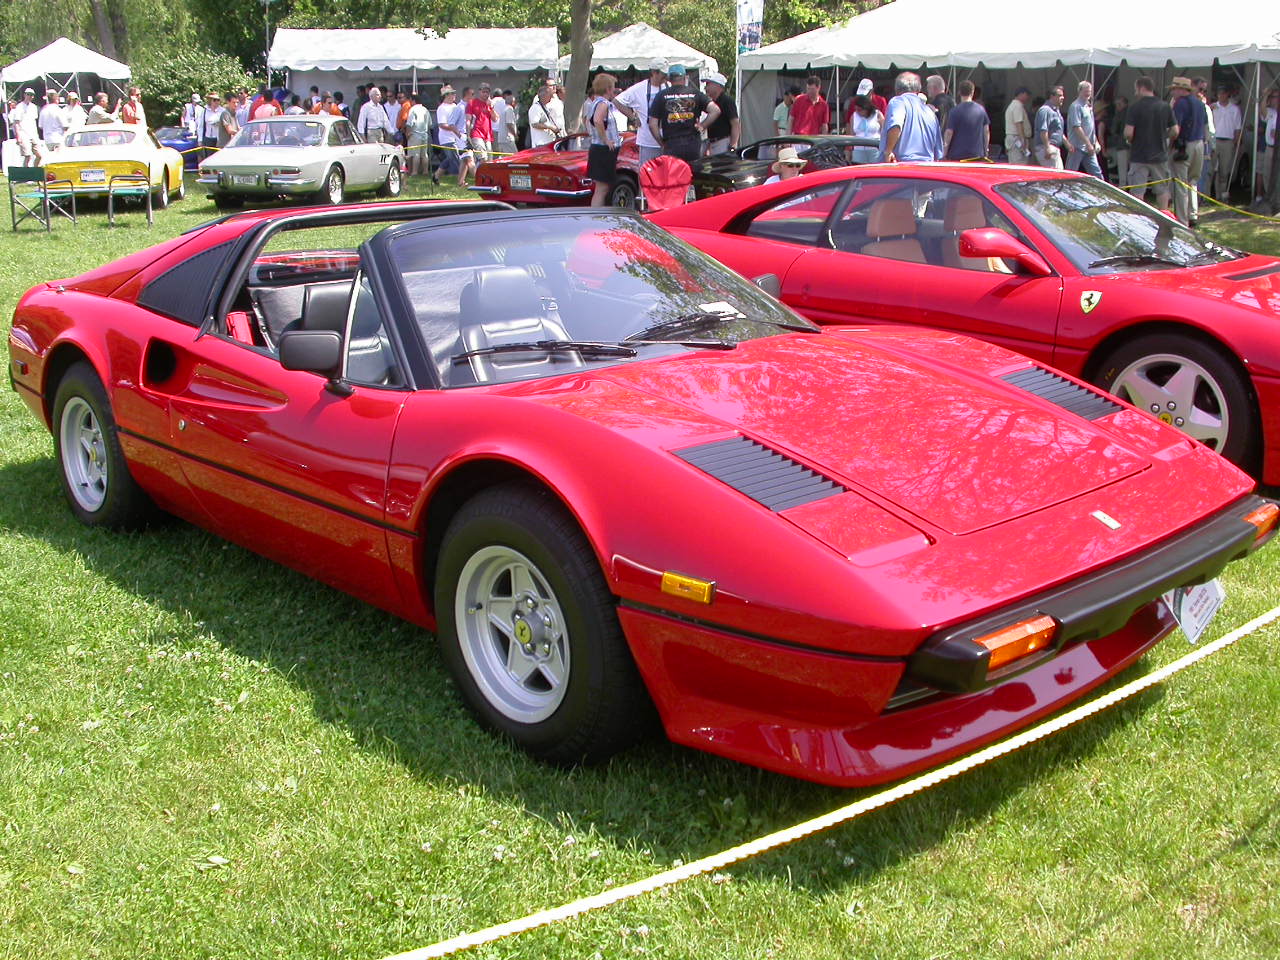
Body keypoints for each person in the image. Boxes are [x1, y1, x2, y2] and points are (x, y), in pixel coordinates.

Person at [1124, 75, 1178, 211]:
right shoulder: (1165, 106)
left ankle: (1139, 221)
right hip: (1160, 154)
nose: (1135, 92)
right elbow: (1175, 131)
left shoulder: (1134, 107)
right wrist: (1165, 137)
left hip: (1139, 155)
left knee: (1137, 191)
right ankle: (1164, 217)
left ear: (1141, 88)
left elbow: (1128, 133)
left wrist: (1130, 140)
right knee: (1162, 190)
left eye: (1136, 89)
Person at [648, 63, 718, 164]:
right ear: (685, 77)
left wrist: (661, 142)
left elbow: (652, 124)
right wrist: (703, 125)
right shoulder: (696, 93)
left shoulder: (661, 95)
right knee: (693, 173)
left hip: (672, 143)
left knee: (673, 175)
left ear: (669, 79)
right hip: (692, 143)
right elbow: (715, 110)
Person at [878, 72, 941, 163]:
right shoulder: (929, 112)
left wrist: (888, 151)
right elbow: (937, 152)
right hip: (926, 167)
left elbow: (896, 125)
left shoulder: (898, 102)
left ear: (897, 90)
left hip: (901, 166)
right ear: (918, 89)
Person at [616, 60, 668, 164]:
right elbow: (617, 101)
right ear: (654, 72)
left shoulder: (668, 86)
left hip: (668, 141)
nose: (665, 77)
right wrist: (633, 118)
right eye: (663, 74)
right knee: (648, 174)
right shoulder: (639, 88)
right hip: (647, 142)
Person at [1169, 77, 1205, 225]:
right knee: (1193, 181)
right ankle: (1193, 214)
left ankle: (1182, 220)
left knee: (1180, 184)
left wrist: (1170, 143)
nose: (1173, 92)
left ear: (1181, 90)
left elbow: (1175, 130)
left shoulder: (1180, 104)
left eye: (1174, 89)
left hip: (1185, 146)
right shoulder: (1200, 103)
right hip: (1199, 144)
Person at [584, 73, 622, 206]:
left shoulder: (593, 103)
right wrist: (606, 140)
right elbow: (597, 120)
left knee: (601, 187)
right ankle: (596, 216)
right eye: (613, 88)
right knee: (602, 188)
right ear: (607, 89)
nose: (614, 91)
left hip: (597, 147)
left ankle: (596, 214)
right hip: (603, 149)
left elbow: (589, 121)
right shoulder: (603, 104)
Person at [943, 80, 988, 161]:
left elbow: (949, 133)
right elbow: (986, 131)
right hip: (977, 154)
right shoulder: (981, 110)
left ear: (959, 92)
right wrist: (986, 150)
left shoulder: (954, 111)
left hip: (957, 155)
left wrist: (944, 152)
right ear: (972, 92)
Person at [1209, 87, 1241, 201]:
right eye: (1219, 94)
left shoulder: (1234, 109)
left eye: (1223, 93)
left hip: (1228, 141)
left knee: (1224, 171)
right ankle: (1206, 195)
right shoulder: (1212, 107)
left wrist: (1236, 142)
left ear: (1228, 94)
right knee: (1210, 170)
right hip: (1214, 140)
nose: (1221, 96)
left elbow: (1238, 127)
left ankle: (1222, 195)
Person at [1065, 81, 1102, 178]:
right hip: (1077, 147)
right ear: (1079, 91)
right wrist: (1088, 143)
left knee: (1097, 173)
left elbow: (1091, 127)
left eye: (1089, 91)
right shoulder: (1075, 106)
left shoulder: (1088, 106)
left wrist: (1095, 141)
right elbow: (1077, 127)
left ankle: (1101, 192)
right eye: (1085, 91)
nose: (1088, 94)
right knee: (1070, 173)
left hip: (1088, 147)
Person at [701, 72, 739, 156]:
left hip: (723, 142)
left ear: (718, 86)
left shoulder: (727, 101)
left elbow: (735, 123)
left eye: (708, 84)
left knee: (723, 167)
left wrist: (733, 144)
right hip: (713, 142)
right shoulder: (712, 103)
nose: (706, 87)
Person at [1034, 86, 1067, 169]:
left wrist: (1067, 143)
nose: (1062, 98)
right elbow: (1043, 130)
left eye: (1062, 95)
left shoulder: (1056, 110)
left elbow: (1058, 130)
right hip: (1047, 147)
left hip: (1054, 147)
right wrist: (1047, 148)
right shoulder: (1045, 110)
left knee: (1058, 176)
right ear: (1052, 96)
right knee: (1055, 177)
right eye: (1059, 95)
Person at [434, 85, 462, 182]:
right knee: (455, 158)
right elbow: (442, 125)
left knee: (450, 158)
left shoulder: (455, 106)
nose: (454, 95)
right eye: (452, 93)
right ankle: (460, 179)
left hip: (457, 137)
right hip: (447, 139)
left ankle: (436, 175)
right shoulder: (441, 108)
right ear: (446, 95)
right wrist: (453, 129)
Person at [466, 84, 498, 166]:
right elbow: (468, 120)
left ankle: (484, 176)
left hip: (488, 135)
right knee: (483, 158)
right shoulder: (472, 103)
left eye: (487, 92)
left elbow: (495, 119)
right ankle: (479, 176)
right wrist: (468, 135)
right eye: (483, 92)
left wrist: (491, 107)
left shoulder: (489, 104)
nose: (485, 94)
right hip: (476, 134)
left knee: (489, 160)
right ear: (479, 92)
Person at [528, 81, 565, 148]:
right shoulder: (535, 108)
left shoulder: (544, 107)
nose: (550, 99)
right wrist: (550, 127)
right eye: (549, 96)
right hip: (540, 143)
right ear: (544, 96)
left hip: (548, 142)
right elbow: (534, 124)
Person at [1258, 89, 1278, 206]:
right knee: (1266, 173)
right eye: (1272, 97)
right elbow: (1262, 109)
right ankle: (1269, 197)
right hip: (1269, 147)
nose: (1273, 99)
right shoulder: (1270, 112)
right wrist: (1266, 95)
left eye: (1274, 97)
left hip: (1278, 149)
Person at [11, 88, 40, 166]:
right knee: (28, 156)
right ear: (24, 95)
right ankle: (26, 176)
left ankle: (35, 173)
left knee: (39, 155)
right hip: (23, 134)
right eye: (28, 94)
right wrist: (18, 137)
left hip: (33, 134)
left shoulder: (34, 107)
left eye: (31, 95)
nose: (29, 96)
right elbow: (16, 123)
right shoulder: (19, 107)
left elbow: (34, 121)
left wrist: (36, 136)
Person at [848, 95, 882, 163]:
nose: (858, 112)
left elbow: (884, 132)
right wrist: (849, 150)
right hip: (858, 150)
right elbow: (851, 135)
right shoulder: (854, 116)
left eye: (860, 110)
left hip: (874, 149)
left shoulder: (878, 114)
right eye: (856, 109)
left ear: (866, 108)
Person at [1004, 87, 1032, 164]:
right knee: (1019, 163)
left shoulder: (1013, 105)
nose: (1028, 97)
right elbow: (1018, 123)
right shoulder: (1017, 106)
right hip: (1017, 139)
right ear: (1021, 94)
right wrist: (1022, 140)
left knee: (1015, 162)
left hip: (1014, 138)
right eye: (1027, 95)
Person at [405, 92, 431, 176]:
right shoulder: (425, 109)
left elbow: (409, 123)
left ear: (413, 100)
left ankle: (414, 172)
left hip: (415, 134)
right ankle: (425, 171)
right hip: (424, 134)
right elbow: (430, 123)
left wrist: (408, 133)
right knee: (424, 154)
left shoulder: (412, 109)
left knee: (415, 153)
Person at [1106, 96, 1130, 186]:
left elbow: (1113, 130)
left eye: (1119, 104)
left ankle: (1123, 189)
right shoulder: (1133, 113)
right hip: (1134, 145)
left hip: (1122, 145)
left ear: (1124, 104)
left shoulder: (1119, 115)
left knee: (1122, 171)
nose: (1117, 107)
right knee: (1133, 171)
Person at [492, 89, 517, 155]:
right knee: (513, 156)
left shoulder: (504, 108)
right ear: (512, 102)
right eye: (514, 102)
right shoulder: (509, 109)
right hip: (507, 138)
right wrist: (515, 134)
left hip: (500, 136)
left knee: (501, 156)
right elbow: (509, 124)